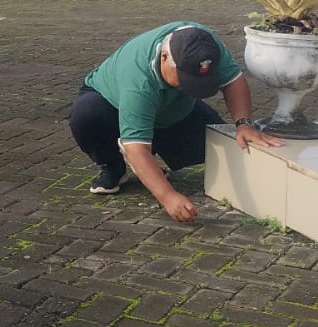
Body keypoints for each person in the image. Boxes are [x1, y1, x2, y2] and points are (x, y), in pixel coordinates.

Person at [69, 21, 283, 222]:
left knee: (215, 149)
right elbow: (136, 148)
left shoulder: (205, 44)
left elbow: (233, 81)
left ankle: (150, 159)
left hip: (173, 108)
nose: (189, 85)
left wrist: (244, 124)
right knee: (87, 116)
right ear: (164, 57)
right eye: (185, 80)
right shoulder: (138, 81)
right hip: (112, 107)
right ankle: (114, 165)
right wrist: (168, 196)